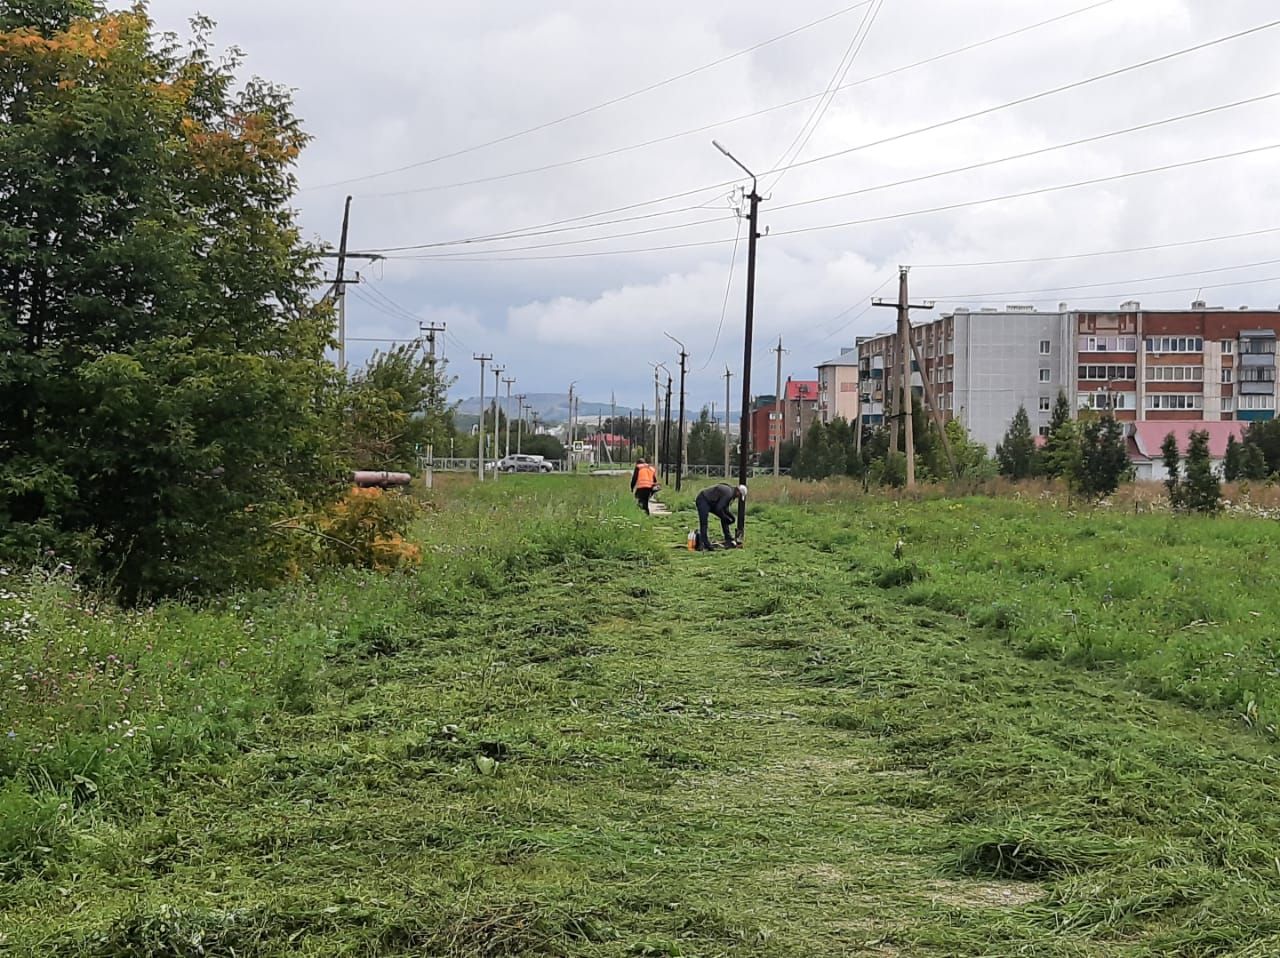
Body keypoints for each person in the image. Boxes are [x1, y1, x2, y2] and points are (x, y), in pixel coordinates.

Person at [694, 482, 746, 551]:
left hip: (711, 502)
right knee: (704, 523)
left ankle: (728, 537)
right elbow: (719, 509)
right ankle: (705, 543)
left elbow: (724, 509)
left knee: (724, 517)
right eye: (739, 495)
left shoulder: (730, 492)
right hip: (703, 499)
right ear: (738, 492)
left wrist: (732, 518)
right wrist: (725, 518)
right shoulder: (729, 494)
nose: (738, 497)